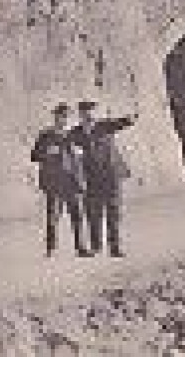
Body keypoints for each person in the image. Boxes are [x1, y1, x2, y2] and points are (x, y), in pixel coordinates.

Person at [71, 99, 137, 257]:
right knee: (93, 213)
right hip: (91, 178)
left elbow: (120, 123)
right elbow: (68, 147)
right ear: (80, 115)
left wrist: (130, 118)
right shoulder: (75, 133)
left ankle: (115, 247)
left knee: (113, 212)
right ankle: (96, 246)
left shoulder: (105, 126)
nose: (89, 116)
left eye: (91, 113)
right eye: (85, 113)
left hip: (111, 175)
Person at [30, 103, 90, 257]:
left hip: (71, 182)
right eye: (60, 116)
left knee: (77, 215)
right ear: (55, 117)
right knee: (53, 216)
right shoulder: (45, 135)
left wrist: (79, 157)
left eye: (65, 117)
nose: (62, 119)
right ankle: (51, 249)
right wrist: (46, 152)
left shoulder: (71, 135)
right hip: (54, 182)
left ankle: (81, 248)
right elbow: (34, 156)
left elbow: (81, 155)